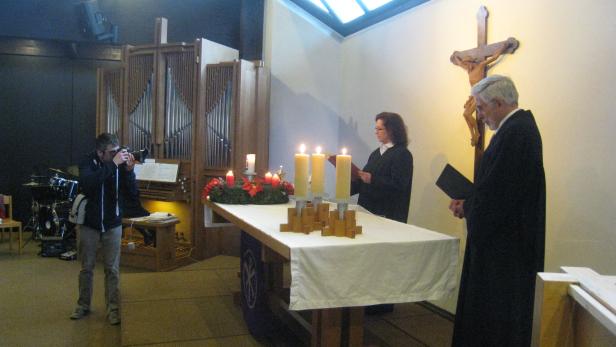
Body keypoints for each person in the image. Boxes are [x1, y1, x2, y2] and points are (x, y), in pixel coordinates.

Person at [448, 75, 545, 346]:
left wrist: (468, 206)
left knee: (495, 320)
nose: (479, 116)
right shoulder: (515, 130)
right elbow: (498, 189)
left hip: (505, 251)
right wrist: (470, 204)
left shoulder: (516, 133)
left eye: (481, 108)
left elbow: (499, 197)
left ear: (499, 103)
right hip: (505, 245)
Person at [70, 133, 138, 325]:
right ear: (100, 153)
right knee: (87, 268)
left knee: (112, 269)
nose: (117, 154)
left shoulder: (118, 165)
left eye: (118, 150)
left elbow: (131, 193)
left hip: (112, 224)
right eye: (112, 152)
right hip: (89, 224)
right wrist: (113, 165)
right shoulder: (87, 162)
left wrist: (129, 171)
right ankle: (83, 305)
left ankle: (113, 309)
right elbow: (89, 184)